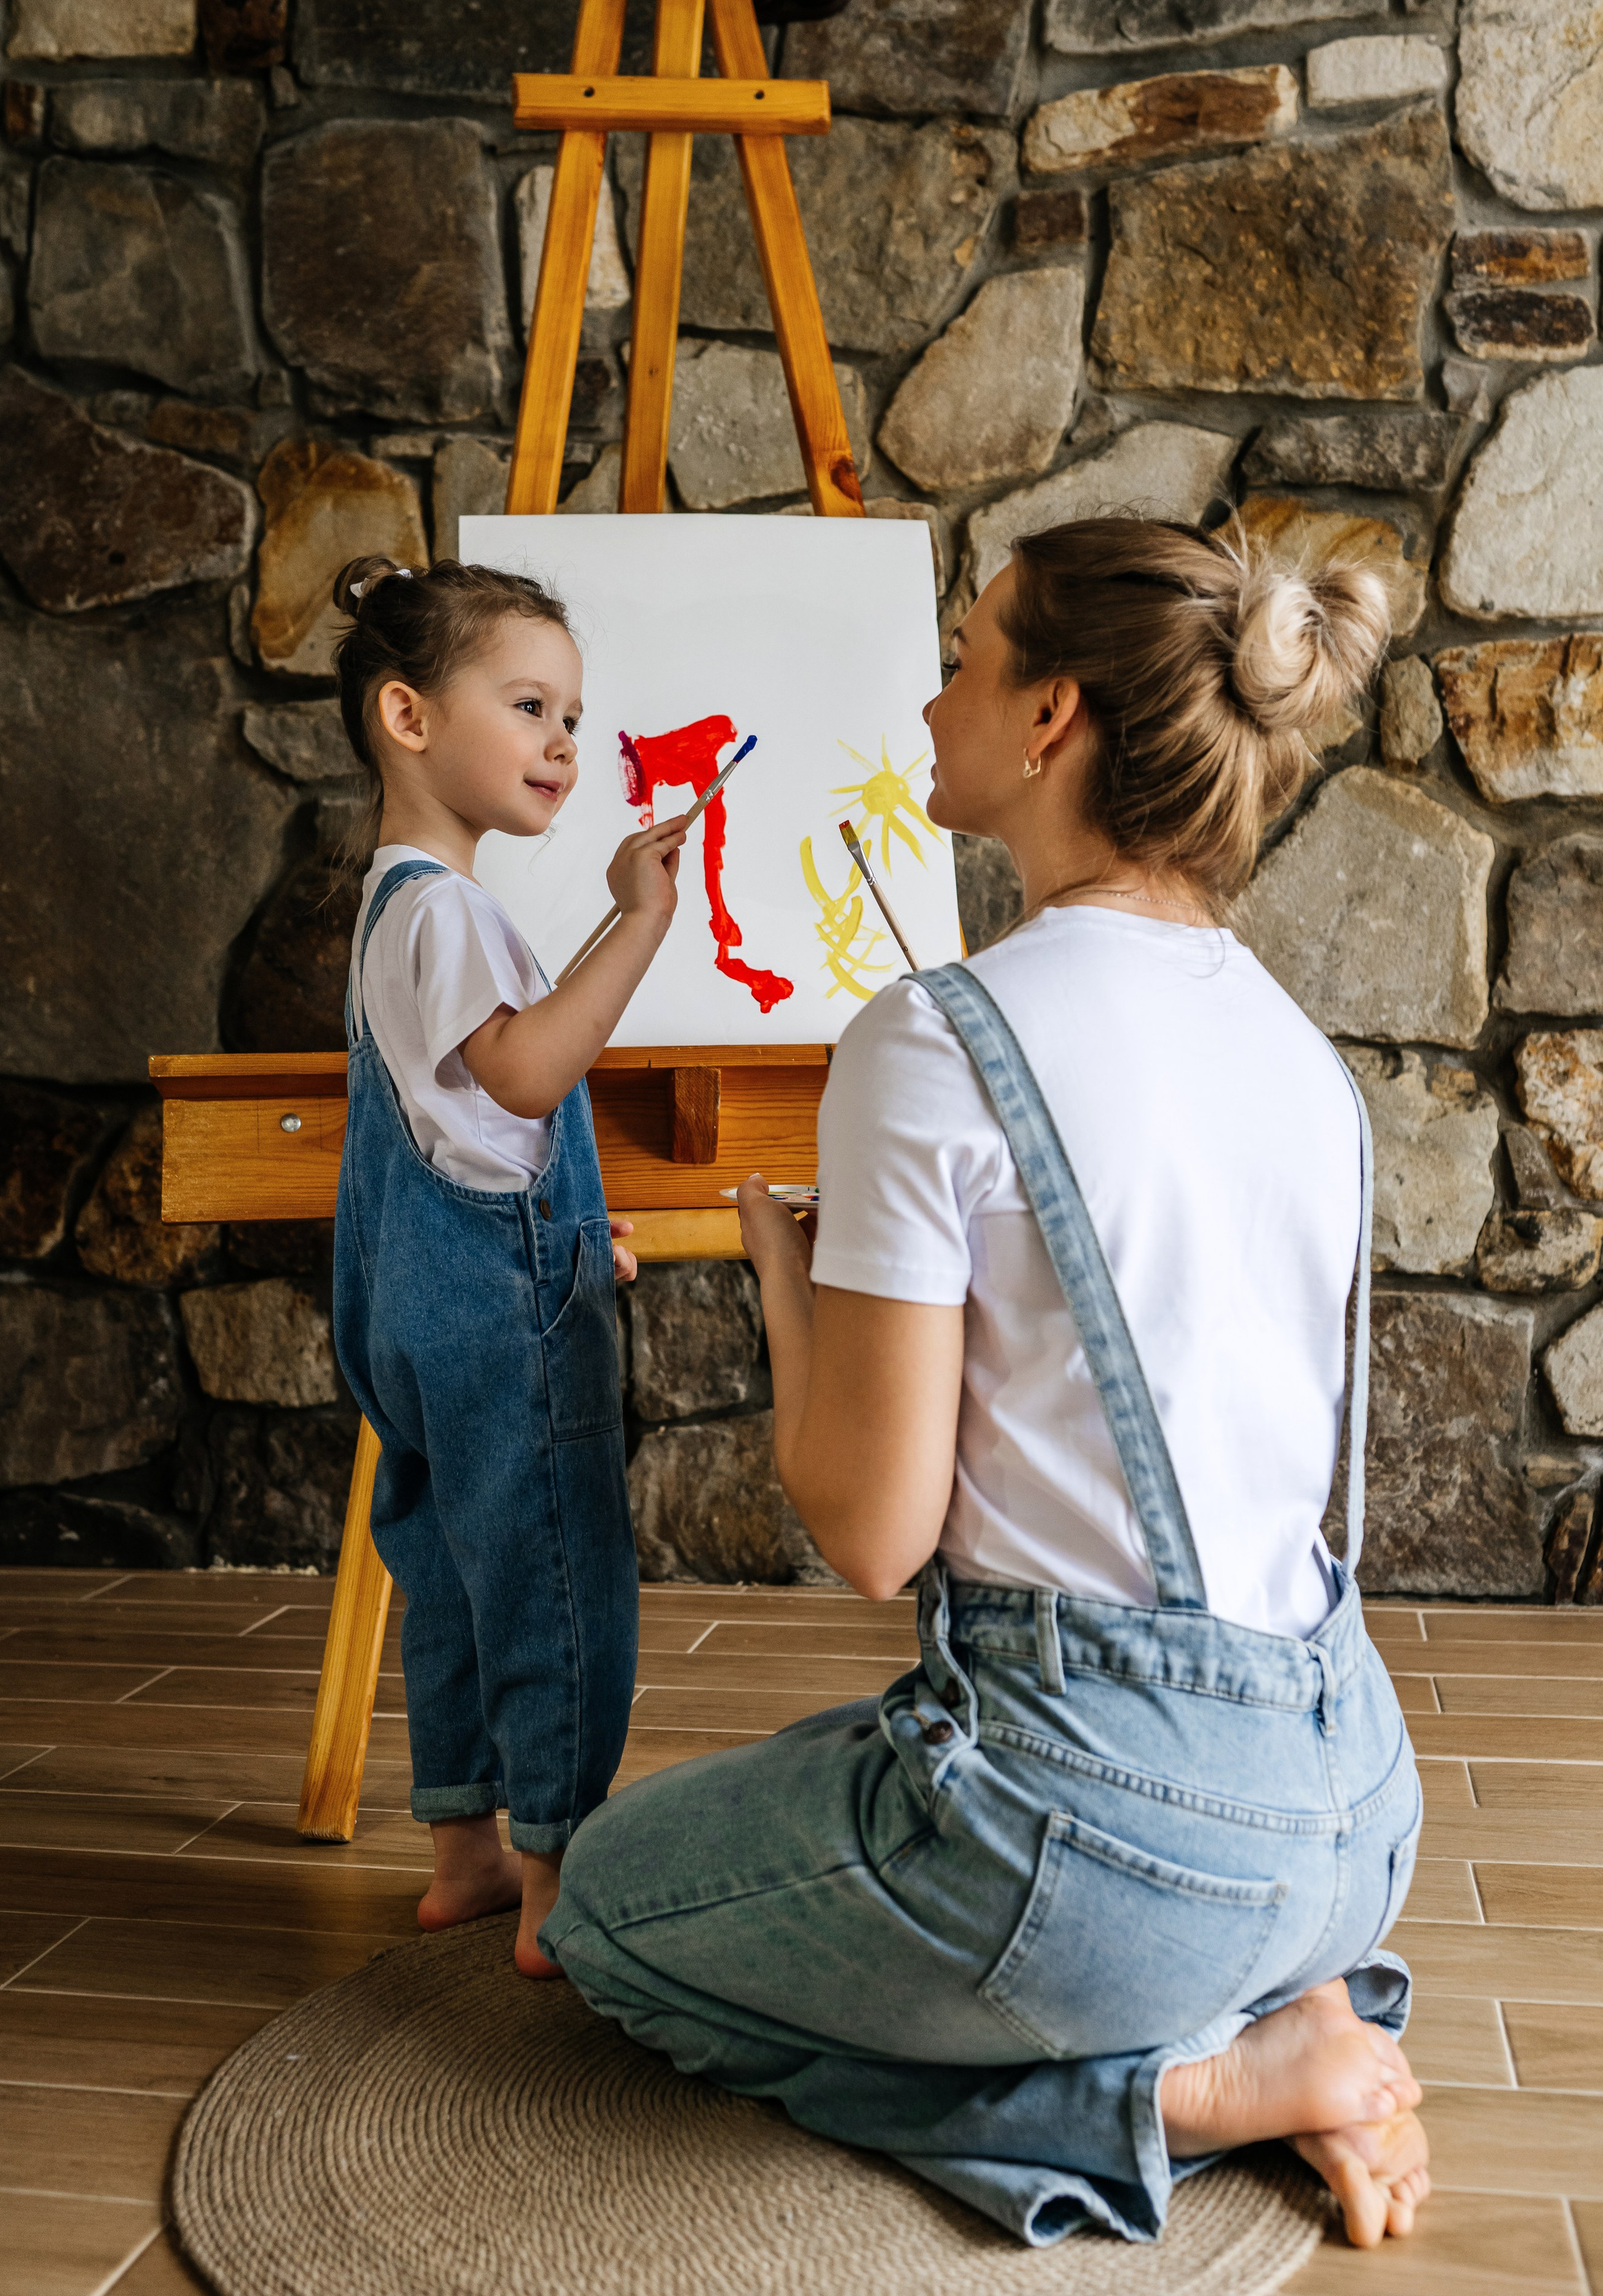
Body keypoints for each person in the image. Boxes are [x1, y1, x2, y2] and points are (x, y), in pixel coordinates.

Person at [544, 516, 1432, 2250]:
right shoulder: (1298, 1057)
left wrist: (784, 1283)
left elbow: (871, 1535)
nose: (932, 694)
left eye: (964, 657)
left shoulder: (937, 1036)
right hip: (1346, 1810)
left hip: (1115, 1847)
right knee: (846, 1777)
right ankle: (1302, 1998)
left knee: (608, 1912)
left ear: (1051, 721)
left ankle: (1168, 2092)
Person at [328, 555, 688, 1975]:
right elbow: (530, 1077)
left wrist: (582, 1242)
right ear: (408, 718)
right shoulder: (454, 912)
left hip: (417, 1303)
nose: (562, 742)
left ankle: (463, 1855)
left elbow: (467, 1127)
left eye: (574, 717)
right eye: (529, 705)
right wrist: (642, 923)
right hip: (491, 1314)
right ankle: (554, 1881)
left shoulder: (393, 903)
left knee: (453, 1568)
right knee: (552, 1573)